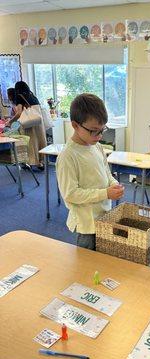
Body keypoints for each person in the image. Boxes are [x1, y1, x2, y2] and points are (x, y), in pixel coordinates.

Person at [56, 93, 124, 251]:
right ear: (75, 125)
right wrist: (105, 194)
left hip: (104, 217)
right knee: (87, 265)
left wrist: (114, 184)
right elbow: (71, 194)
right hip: (86, 225)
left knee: (104, 261)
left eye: (102, 130)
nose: (100, 136)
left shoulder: (96, 146)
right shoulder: (68, 156)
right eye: (94, 131)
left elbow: (106, 173)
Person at [6, 81, 47, 169]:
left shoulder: (19, 97)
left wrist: (10, 122)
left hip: (29, 124)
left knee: (31, 142)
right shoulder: (32, 96)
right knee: (40, 140)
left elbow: (19, 113)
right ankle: (41, 161)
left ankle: (32, 162)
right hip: (39, 123)